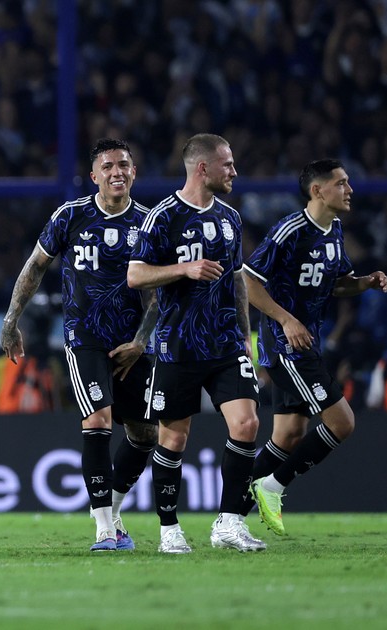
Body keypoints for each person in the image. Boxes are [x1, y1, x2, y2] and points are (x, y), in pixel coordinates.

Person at [1, 139, 159, 551]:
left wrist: (140, 342)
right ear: (94, 176)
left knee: (145, 433)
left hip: (132, 344)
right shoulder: (70, 215)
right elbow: (35, 267)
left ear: (134, 172)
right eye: (108, 166)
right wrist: (11, 320)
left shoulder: (149, 223)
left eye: (123, 164)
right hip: (84, 339)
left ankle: (113, 510)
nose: (116, 172)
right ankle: (104, 529)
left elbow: (155, 296)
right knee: (98, 420)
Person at [126, 133, 266, 554]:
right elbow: (135, 275)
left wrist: (245, 335)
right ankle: (169, 529)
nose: (234, 171)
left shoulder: (230, 217)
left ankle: (229, 522)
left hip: (225, 343)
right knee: (174, 438)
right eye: (228, 164)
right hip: (177, 345)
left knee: (247, 424)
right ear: (203, 168)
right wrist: (182, 269)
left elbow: (237, 280)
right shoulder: (162, 216)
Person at [244, 158, 387, 536]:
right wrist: (286, 320)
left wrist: (365, 282)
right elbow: (249, 281)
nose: (350, 190)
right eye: (341, 183)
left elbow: (338, 284)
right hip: (285, 345)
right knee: (343, 422)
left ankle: (229, 516)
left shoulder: (334, 230)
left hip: (307, 343)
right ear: (317, 190)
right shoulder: (290, 231)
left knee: (289, 435)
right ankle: (272, 486)